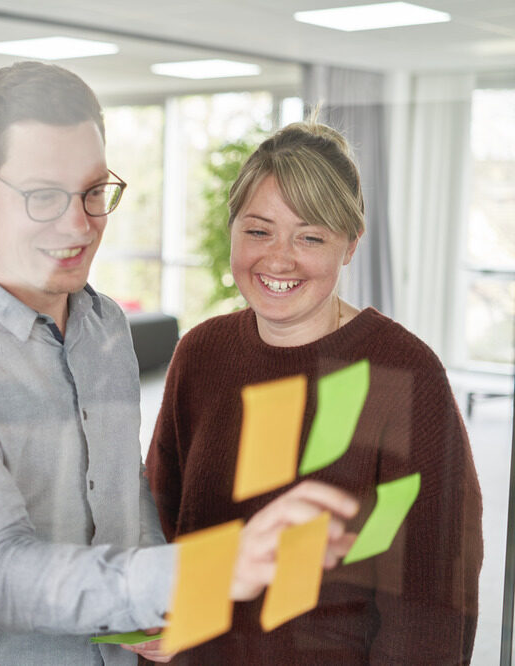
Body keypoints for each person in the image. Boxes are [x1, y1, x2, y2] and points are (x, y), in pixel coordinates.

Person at [0, 62, 361, 665]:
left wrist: (162, 608)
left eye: (94, 192)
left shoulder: (104, 326)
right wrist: (207, 571)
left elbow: (123, 490)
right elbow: (0, 573)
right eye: (45, 196)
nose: (80, 226)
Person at [144, 121, 484, 664]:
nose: (278, 260)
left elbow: (430, 600)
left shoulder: (404, 373)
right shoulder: (200, 353)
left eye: (310, 236)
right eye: (258, 231)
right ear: (231, 230)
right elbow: (161, 524)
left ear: (350, 245)